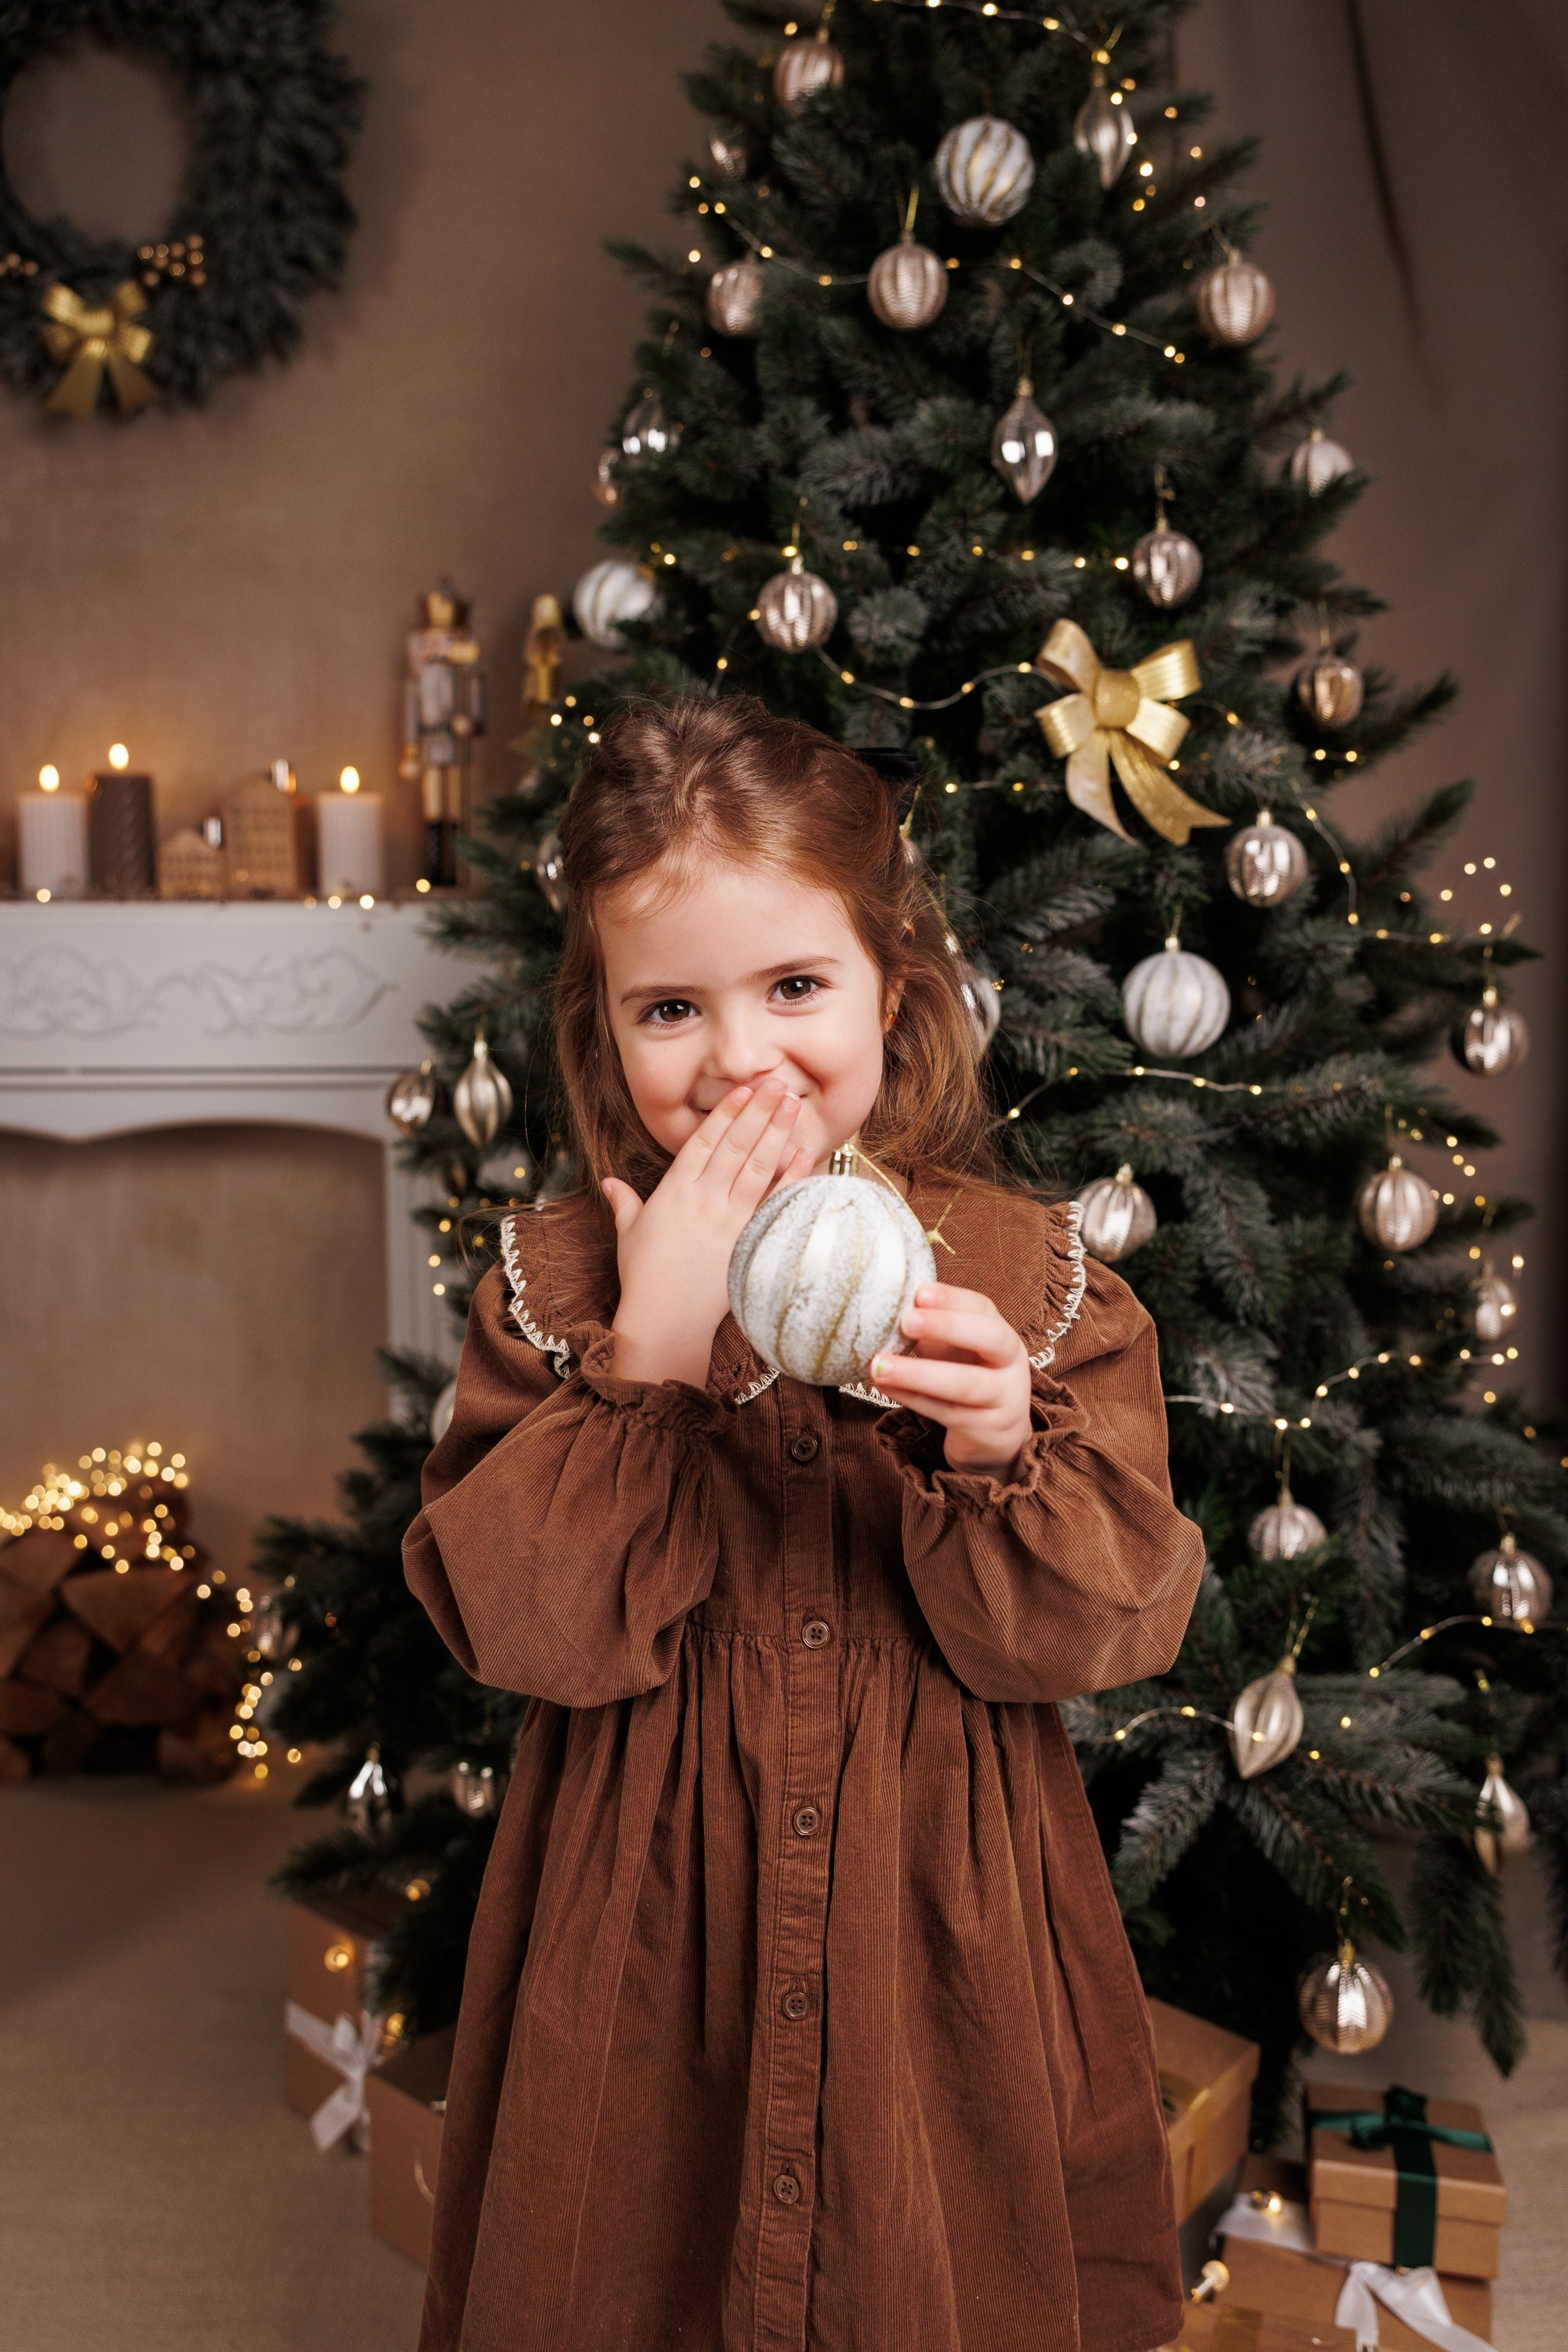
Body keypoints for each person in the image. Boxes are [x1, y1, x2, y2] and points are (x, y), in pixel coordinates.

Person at [404, 694, 1207, 2352]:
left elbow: (1098, 1628)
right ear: (604, 1029)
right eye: (671, 1008)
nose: (739, 1058)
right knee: (631, 2258)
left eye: (793, 988)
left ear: (889, 991)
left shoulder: (1024, 1283)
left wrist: (994, 1447)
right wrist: (647, 1363)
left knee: (936, 2266)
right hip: (642, 1911)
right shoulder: (556, 1291)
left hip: (942, 1913)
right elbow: (522, 1632)